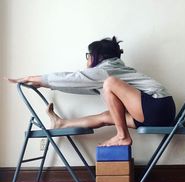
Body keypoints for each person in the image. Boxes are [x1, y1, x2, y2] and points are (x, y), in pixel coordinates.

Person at [7, 36, 176, 147]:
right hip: (156, 114)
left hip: (158, 106)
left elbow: (74, 78)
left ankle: (122, 137)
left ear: (97, 56)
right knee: (107, 115)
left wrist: (35, 78)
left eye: (88, 55)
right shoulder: (108, 72)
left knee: (109, 83)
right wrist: (46, 84)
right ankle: (62, 123)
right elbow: (78, 84)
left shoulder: (106, 71)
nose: (87, 59)